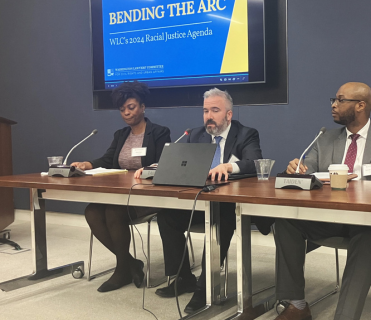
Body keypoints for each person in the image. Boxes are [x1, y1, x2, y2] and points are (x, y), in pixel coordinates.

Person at [275, 82, 371, 320]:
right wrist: (297, 169)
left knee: (367, 236)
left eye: (340, 100)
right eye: (334, 99)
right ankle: (297, 305)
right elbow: (308, 170)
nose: (333, 105)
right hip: (331, 216)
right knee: (285, 221)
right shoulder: (325, 139)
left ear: (360, 105)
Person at [152, 88, 262, 314]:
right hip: (198, 202)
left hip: (229, 205)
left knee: (220, 218)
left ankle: (205, 287)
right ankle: (183, 277)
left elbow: (255, 162)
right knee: (167, 216)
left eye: (215, 110)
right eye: (205, 111)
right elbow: (181, 163)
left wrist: (229, 166)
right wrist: (159, 167)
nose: (208, 116)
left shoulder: (246, 133)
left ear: (229, 115)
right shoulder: (194, 134)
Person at [71, 81, 171, 292]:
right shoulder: (121, 135)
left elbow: (165, 162)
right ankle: (130, 263)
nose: (126, 113)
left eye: (131, 107)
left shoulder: (160, 132)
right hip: (120, 195)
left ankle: (122, 269)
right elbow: (108, 159)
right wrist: (85, 165)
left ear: (143, 107)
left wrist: (150, 169)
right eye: (122, 109)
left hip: (149, 195)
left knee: (113, 212)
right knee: (92, 211)